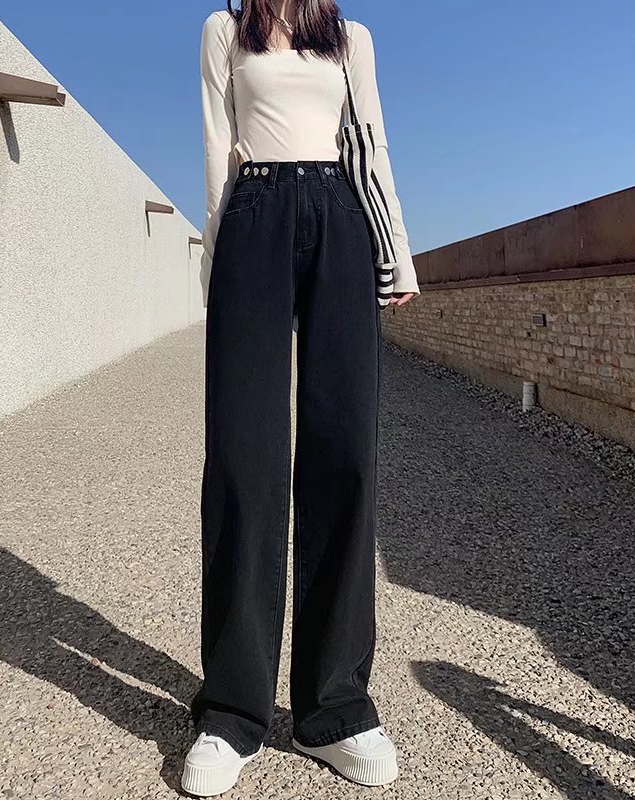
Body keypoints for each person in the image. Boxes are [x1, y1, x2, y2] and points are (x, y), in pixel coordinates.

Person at [182, 1, 419, 795]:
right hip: (252, 217)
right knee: (242, 458)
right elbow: (216, 147)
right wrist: (216, 268)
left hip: (341, 221)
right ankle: (232, 712)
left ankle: (335, 709)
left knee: (345, 453)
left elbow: (369, 141)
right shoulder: (225, 30)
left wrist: (398, 253)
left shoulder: (351, 39)